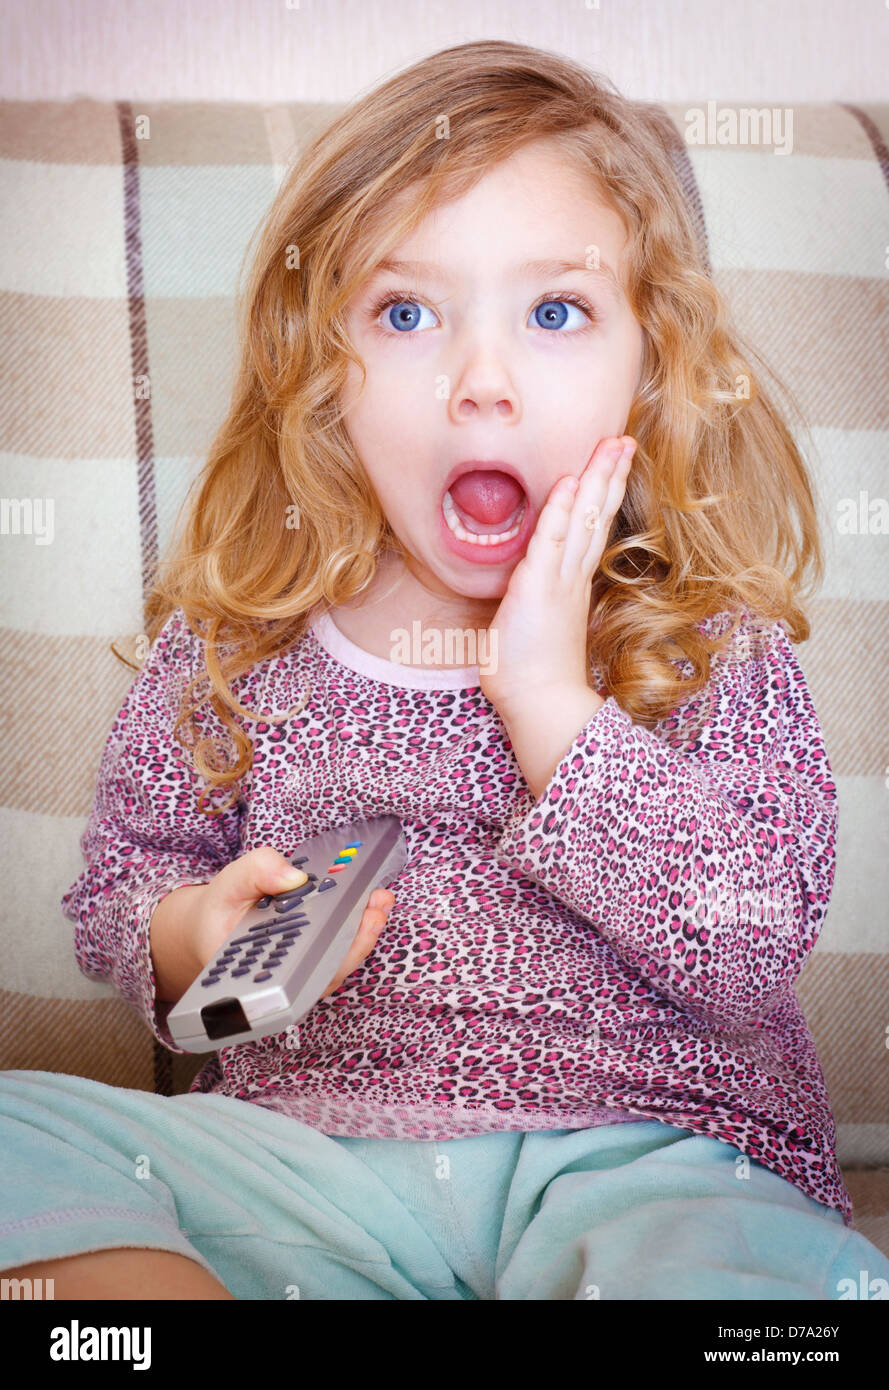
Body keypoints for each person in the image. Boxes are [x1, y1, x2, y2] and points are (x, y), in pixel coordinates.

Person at [2, 39, 887, 1302]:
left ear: (652, 355)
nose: (483, 384)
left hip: (653, 1161)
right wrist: (192, 931)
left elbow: (748, 942)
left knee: (756, 1277)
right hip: (310, 1161)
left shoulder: (702, 636)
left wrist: (550, 701)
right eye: (407, 314)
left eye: (555, 311)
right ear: (324, 369)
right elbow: (127, 878)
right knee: (20, 1132)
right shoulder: (243, 639)